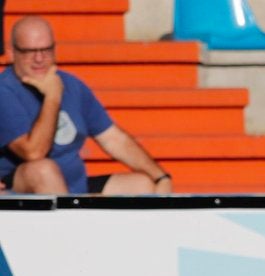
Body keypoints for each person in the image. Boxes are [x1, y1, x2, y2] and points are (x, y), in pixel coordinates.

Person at [0, 16, 172, 195]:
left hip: (73, 187)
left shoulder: (72, 84)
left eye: (46, 50)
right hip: (21, 188)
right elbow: (33, 153)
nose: (39, 58)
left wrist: (160, 177)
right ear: (12, 52)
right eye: (30, 51)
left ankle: (76, 213)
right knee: (43, 170)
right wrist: (53, 97)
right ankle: (71, 221)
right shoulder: (5, 90)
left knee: (142, 184)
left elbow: (112, 138)